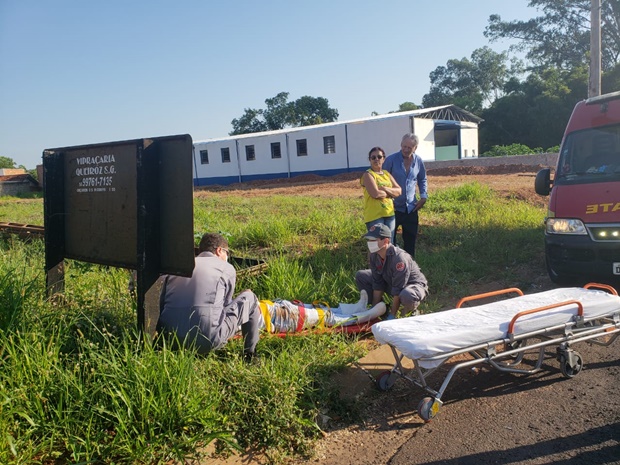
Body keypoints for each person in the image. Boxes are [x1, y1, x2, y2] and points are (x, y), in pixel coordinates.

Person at [157, 233, 260, 360]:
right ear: (219, 250)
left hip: (169, 338)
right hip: (208, 338)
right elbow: (224, 306)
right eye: (227, 253)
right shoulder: (226, 268)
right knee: (250, 298)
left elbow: (161, 304)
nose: (227, 257)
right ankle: (250, 354)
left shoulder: (179, 265)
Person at [355, 223, 428, 319]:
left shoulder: (399, 259)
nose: (370, 242)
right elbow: (377, 283)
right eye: (369, 240)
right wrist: (374, 310)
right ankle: (382, 309)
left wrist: (392, 315)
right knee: (361, 276)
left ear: (385, 241)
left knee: (406, 294)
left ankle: (411, 311)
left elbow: (398, 289)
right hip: (391, 281)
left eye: (373, 240)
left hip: (411, 286)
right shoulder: (374, 255)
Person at [383, 133, 428, 258]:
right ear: (401, 145)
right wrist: (388, 198)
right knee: (390, 241)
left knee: (410, 240)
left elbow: (422, 179)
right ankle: (392, 266)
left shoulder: (418, 161)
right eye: (404, 146)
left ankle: (409, 266)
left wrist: (423, 196)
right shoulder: (391, 160)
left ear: (415, 148)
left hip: (411, 208)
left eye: (409, 147)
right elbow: (382, 180)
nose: (406, 149)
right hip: (393, 208)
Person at [258, 290, 386, 333]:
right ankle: (366, 315)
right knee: (326, 317)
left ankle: (356, 308)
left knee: (317, 308)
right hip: (280, 318)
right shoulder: (237, 321)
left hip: (275, 307)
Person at [360, 147, 401, 238]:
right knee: (377, 246)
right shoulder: (368, 175)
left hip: (389, 214)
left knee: (389, 245)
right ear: (369, 160)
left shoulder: (386, 174)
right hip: (375, 217)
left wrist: (384, 188)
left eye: (379, 157)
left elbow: (399, 191)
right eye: (373, 157)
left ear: (384, 159)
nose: (376, 159)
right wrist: (391, 193)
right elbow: (375, 194)